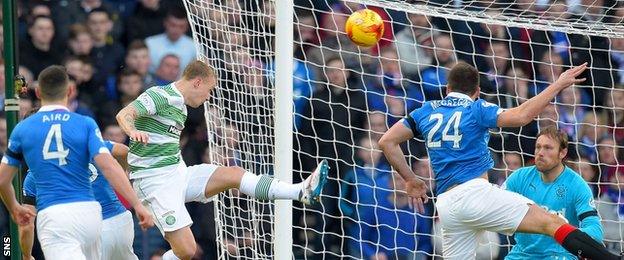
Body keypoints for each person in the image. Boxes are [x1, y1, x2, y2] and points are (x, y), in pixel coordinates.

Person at [378, 61, 619, 259]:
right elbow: (523, 115)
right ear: (477, 92)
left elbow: (387, 141)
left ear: (447, 88)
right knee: (552, 223)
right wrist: (557, 84)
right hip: (474, 193)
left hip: (447, 206)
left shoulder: (426, 110)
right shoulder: (476, 108)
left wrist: (410, 180)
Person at [115, 60, 329, 260]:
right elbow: (125, 114)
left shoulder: (180, 105)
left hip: (177, 173)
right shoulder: (160, 95)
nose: (209, 96)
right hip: (154, 184)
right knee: (187, 251)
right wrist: (133, 131)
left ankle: (300, 191)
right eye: (209, 90)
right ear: (197, 82)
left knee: (233, 174)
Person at [0, 65, 153, 259]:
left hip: (56, 216)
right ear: (70, 91)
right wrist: (137, 204)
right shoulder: (85, 123)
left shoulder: (24, 130)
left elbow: (2, 180)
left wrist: (14, 208)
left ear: (38, 92)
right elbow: (110, 164)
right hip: (91, 214)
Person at [20, 140, 138, 260]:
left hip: (90, 230)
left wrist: (27, 255)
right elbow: (123, 151)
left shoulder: (34, 175)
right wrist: (120, 176)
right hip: (121, 221)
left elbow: (26, 225)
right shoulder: (86, 143)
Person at [503, 127, 603, 259]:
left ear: (562, 153)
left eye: (548, 148)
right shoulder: (519, 177)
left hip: (560, 255)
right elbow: (496, 209)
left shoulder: (577, 185)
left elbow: (596, 232)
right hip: (522, 254)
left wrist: (563, 231)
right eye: (538, 147)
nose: (540, 153)